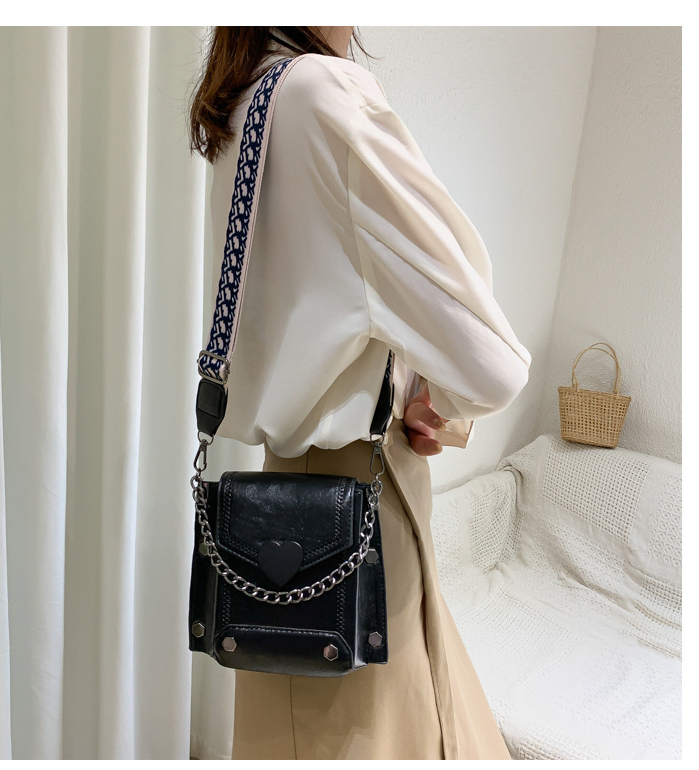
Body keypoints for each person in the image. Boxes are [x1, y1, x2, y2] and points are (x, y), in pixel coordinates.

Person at [189, 26, 531, 760]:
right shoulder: (325, 92)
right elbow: (493, 365)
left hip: (279, 492)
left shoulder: (245, 98)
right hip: (361, 507)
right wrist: (441, 403)